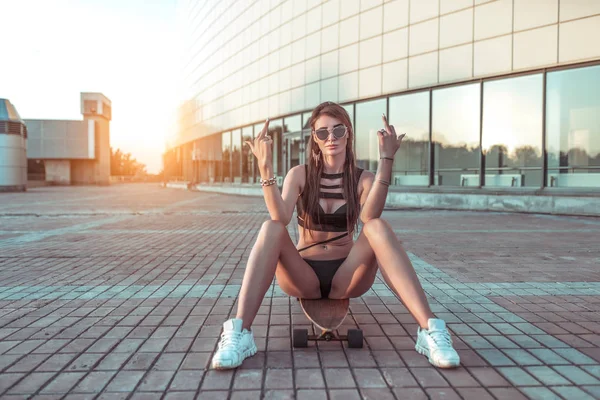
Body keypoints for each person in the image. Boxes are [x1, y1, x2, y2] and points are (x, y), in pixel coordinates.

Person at [211, 101, 460, 369]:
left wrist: (387, 158)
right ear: (315, 139)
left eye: (338, 131)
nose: (331, 138)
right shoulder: (300, 175)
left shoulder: (363, 178)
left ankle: (429, 329)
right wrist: (265, 167)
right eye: (322, 133)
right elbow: (280, 218)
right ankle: (240, 332)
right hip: (303, 275)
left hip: (348, 275)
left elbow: (369, 217)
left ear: (348, 134)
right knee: (270, 228)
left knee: (378, 226)